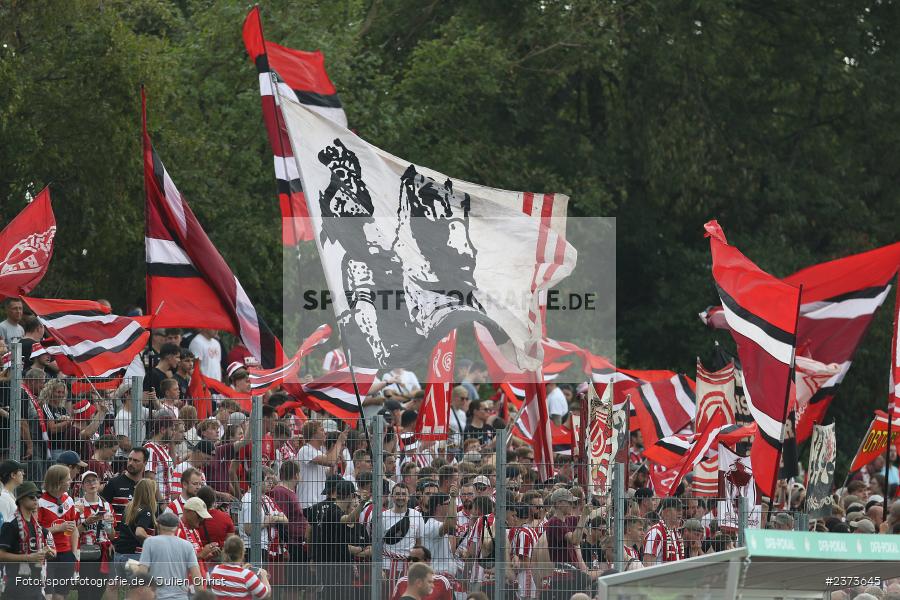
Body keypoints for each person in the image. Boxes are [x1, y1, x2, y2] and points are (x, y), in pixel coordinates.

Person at [0, 481, 57, 600]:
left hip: (36, 587)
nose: (36, 500)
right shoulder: (10, 526)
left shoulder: (38, 528)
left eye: (38, 497)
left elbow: (43, 554)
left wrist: (47, 553)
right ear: (20, 500)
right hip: (15, 588)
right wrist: (29, 557)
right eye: (31, 497)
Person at [129, 511, 202, 600]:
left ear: (158, 526)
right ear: (177, 527)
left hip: (157, 597)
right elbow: (196, 576)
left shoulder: (150, 542)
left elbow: (142, 572)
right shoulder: (187, 545)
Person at [37, 464, 78, 600]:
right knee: (47, 595)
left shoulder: (69, 501)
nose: (70, 481)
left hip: (66, 554)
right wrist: (57, 529)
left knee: (61, 595)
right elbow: (36, 531)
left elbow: (74, 529)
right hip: (48, 554)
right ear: (58, 482)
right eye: (67, 479)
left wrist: (73, 553)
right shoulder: (40, 502)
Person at [75, 470, 115, 600]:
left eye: (94, 480)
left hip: (103, 552)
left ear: (99, 483)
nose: (92, 484)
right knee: (85, 591)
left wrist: (109, 525)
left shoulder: (107, 505)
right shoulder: (78, 506)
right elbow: (72, 533)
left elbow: (112, 535)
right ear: (83, 485)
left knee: (99, 589)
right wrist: (86, 523)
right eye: (88, 481)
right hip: (85, 551)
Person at [382, 482, 425, 593]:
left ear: (408, 496)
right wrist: (379, 569)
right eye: (397, 494)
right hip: (387, 566)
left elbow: (419, 544)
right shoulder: (383, 516)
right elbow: (377, 545)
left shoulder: (416, 515)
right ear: (392, 496)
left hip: (408, 565)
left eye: (403, 494)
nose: (400, 497)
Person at [298, 419, 348, 509]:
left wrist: (335, 462)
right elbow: (330, 461)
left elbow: (329, 474)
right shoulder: (306, 450)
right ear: (313, 434)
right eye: (321, 430)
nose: (324, 433)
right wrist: (339, 441)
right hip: (309, 503)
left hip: (318, 502)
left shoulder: (318, 452)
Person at [113, 478, 157, 576]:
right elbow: (139, 532)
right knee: (140, 588)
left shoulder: (129, 507)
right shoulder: (146, 510)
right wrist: (153, 541)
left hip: (119, 555)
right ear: (150, 493)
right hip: (134, 556)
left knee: (121, 589)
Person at [208, 535, 271, 600]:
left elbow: (231, 578)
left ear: (224, 551)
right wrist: (264, 576)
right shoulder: (247, 575)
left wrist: (242, 570)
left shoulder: (216, 570)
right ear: (242, 553)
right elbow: (265, 595)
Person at [643, 498, 684, 565]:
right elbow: (647, 563)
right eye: (677, 509)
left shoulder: (676, 533)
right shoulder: (656, 532)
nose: (680, 512)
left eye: (681, 509)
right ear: (666, 512)